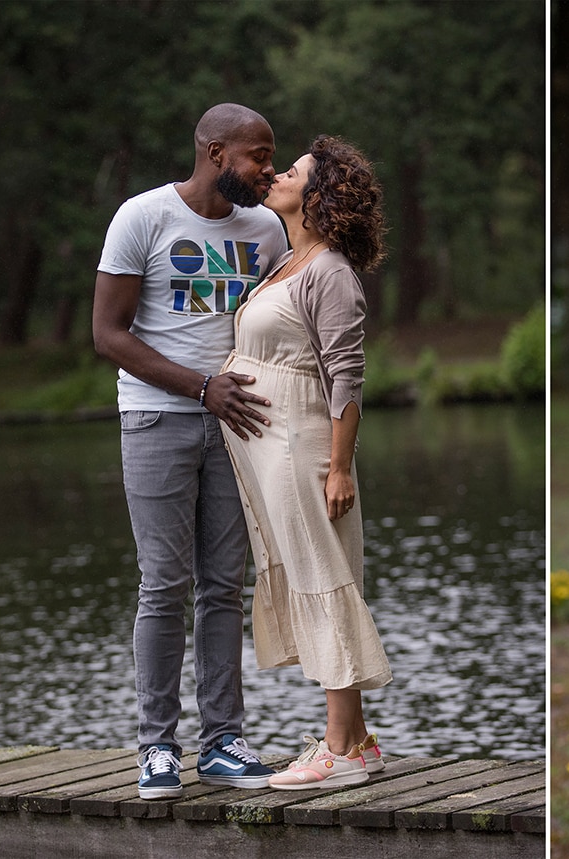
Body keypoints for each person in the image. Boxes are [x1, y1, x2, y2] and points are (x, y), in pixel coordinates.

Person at [93, 104, 289, 799]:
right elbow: (108, 333)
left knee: (224, 587)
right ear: (215, 153)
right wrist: (200, 387)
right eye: (258, 155)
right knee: (163, 584)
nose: (268, 169)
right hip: (156, 419)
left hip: (239, 423)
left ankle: (223, 742)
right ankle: (156, 747)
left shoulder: (265, 230)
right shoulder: (142, 217)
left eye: (271, 156)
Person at [220, 135, 392, 790]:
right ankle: (360, 742)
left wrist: (340, 468)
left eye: (291, 171)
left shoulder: (330, 272)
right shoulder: (290, 261)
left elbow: (347, 377)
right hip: (273, 450)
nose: (277, 175)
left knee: (325, 580)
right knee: (315, 578)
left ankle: (339, 749)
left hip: (304, 448)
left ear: (318, 195)